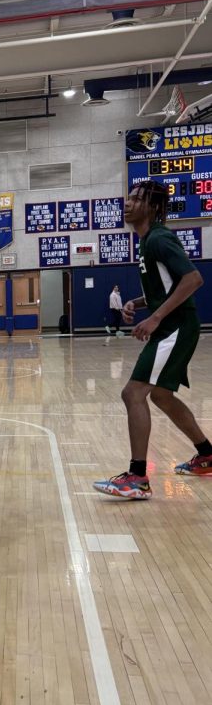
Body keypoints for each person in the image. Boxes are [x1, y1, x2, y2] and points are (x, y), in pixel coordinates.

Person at [94, 180, 209, 500]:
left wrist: (156, 317)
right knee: (161, 396)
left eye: (136, 199)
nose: (128, 203)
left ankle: (137, 478)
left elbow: (192, 279)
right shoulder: (146, 242)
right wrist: (139, 302)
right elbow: (166, 287)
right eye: (128, 198)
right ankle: (207, 454)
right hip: (171, 325)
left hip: (176, 326)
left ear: (154, 207)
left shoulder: (159, 238)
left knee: (132, 393)